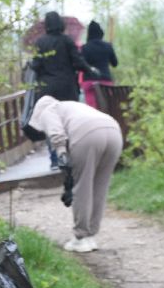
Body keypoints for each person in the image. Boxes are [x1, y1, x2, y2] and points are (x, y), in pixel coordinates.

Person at [24, 95, 123, 253]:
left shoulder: (47, 110)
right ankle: (91, 235)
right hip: (114, 131)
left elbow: (56, 132)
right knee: (100, 186)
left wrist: (61, 152)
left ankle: (80, 238)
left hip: (87, 136)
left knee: (82, 186)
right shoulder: (70, 105)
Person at [30, 11, 92, 105]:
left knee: (49, 117)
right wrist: (90, 70)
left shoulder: (40, 42)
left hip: (47, 89)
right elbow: (78, 62)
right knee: (69, 116)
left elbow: (35, 65)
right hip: (67, 88)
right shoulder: (67, 41)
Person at [79, 20, 118, 107]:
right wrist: (110, 50)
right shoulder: (108, 46)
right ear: (101, 33)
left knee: (92, 109)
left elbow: (81, 65)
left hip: (89, 81)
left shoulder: (84, 48)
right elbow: (115, 63)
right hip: (106, 81)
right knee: (107, 107)